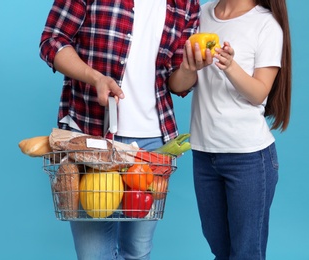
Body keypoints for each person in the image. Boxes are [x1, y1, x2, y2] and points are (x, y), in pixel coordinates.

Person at [39, 0, 211, 259]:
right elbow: (52, 40)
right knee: (93, 255)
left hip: (152, 144)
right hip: (92, 135)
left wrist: (188, 69)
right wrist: (94, 77)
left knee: (137, 251)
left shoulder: (186, 4)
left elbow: (177, 84)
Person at [189, 0, 292, 259]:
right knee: (220, 249)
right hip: (203, 154)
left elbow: (259, 93)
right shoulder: (201, 13)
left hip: (249, 158)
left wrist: (230, 66)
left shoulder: (266, 24)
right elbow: (182, 80)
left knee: (246, 253)